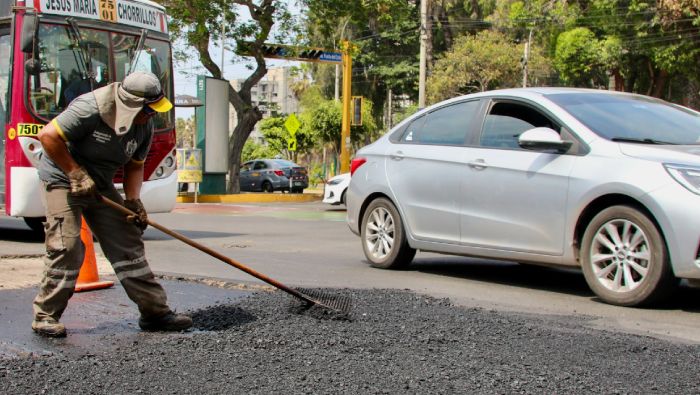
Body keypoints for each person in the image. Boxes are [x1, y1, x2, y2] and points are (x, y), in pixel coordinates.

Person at [32, 71, 192, 337]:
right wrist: (75, 173)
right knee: (67, 245)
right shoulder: (89, 108)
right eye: (148, 110)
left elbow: (134, 166)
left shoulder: (144, 124)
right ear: (130, 104)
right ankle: (45, 315)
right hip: (63, 178)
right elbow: (48, 136)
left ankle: (155, 313)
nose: (152, 115)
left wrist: (133, 201)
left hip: (100, 184)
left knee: (127, 240)